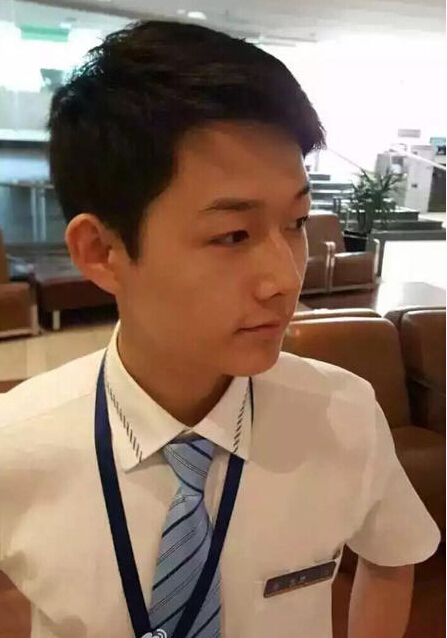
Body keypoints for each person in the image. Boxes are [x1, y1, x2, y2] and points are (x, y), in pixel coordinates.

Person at [0, 20, 440, 638]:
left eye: (296, 223)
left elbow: (394, 556)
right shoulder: (15, 445)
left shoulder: (342, 415)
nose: (284, 278)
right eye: (233, 235)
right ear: (102, 252)